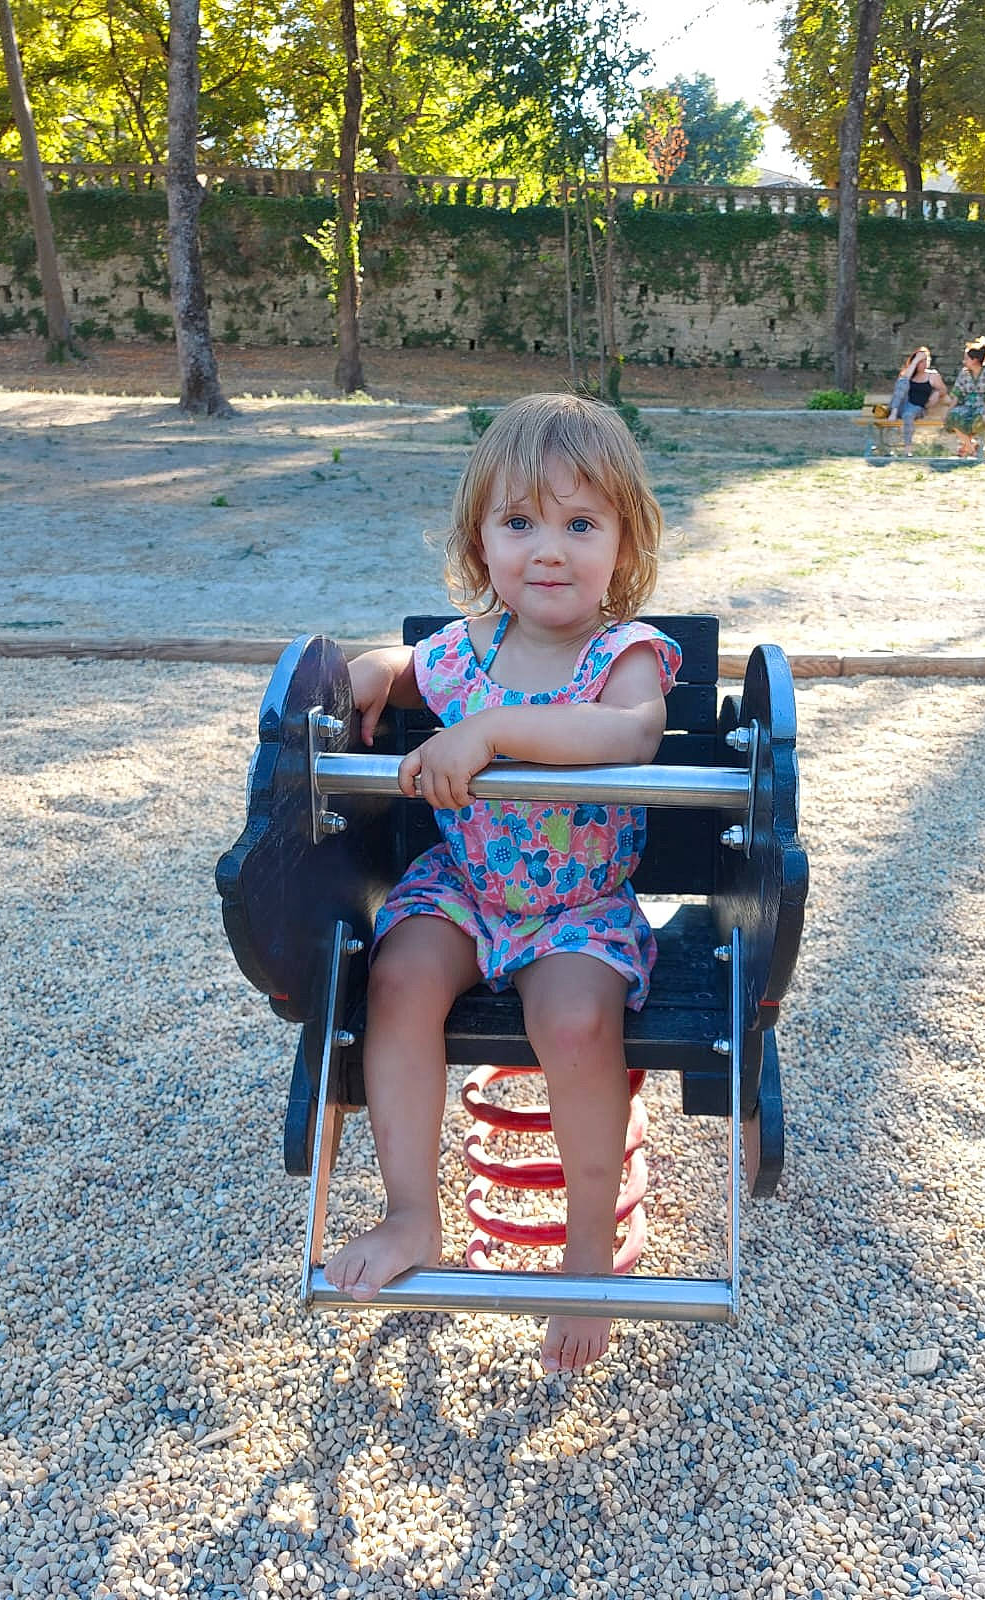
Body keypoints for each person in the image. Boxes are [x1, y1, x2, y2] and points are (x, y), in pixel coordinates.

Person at [325, 392, 682, 1375]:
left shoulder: (625, 655)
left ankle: (586, 1250)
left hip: (579, 903)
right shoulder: (467, 649)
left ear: (623, 542)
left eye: (580, 523)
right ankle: (409, 1215)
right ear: (483, 545)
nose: (549, 550)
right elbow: (406, 669)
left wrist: (493, 733)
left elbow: (628, 736)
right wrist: (364, 672)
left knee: (573, 1021)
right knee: (397, 980)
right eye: (520, 523)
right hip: (466, 885)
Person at [943, 336, 985, 458]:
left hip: (983, 406)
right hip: (967, 405)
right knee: (953, 417)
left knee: (978, 419)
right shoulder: (964, 374)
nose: (964, 361)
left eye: (966, 358)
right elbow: (957, 396)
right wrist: (948, 412)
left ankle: (968, 447)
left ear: (974, 360)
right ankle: (971, 447)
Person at [886, 345, 949, 452]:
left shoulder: (932, 375)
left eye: (925, 360)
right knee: (903, 382)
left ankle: (907, 448)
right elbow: (903, 381)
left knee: (908, 415)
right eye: (920, 361)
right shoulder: (909, 374)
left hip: (916, 408)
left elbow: (944, 390)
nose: (923, 363)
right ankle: (894, 410)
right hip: (900, 405)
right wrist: (915, 361)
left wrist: (937, 394)